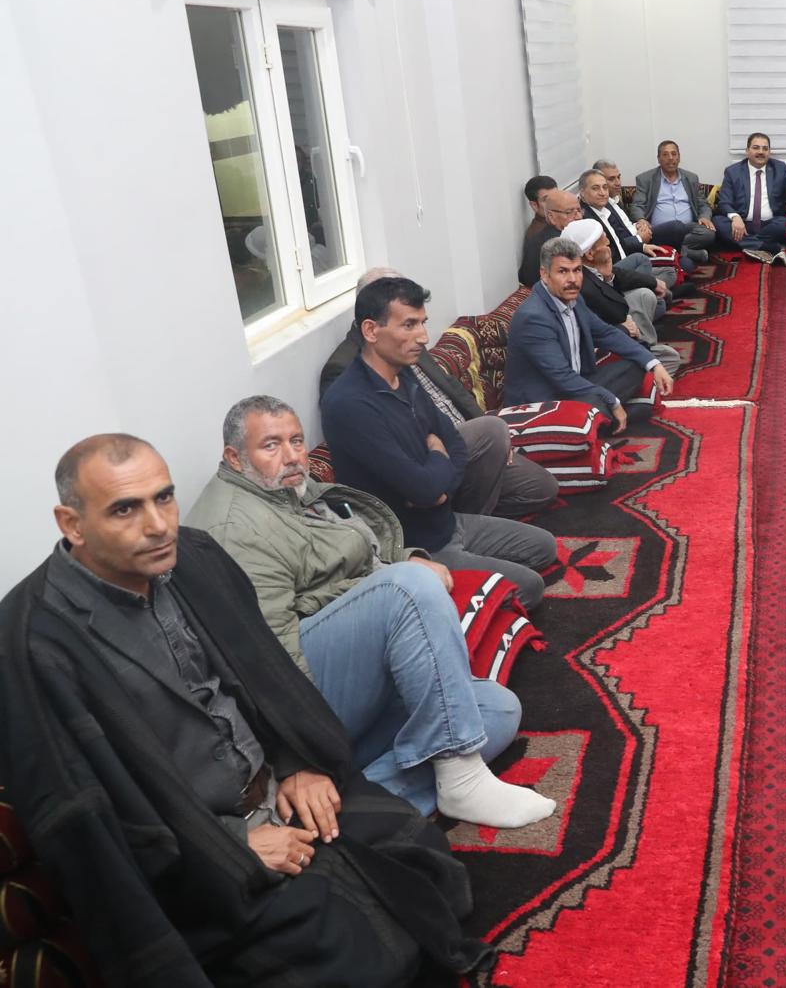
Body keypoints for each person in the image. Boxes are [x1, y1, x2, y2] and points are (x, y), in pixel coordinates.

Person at [0, 434, 490, 982]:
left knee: (424, 857)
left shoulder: (195, 557)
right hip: (197, 854)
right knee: (359, 951)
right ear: (71, 523)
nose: (158, 525)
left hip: (280, 790)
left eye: (164, 497)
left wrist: (296, 762)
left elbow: (267, 678)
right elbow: (82, 816)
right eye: (124, 509)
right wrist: (233, 847)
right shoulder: (33, 639)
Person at [188, 397, 555, 827]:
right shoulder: (236, 529)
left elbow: (347, 549)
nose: (291, 456)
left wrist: (406, 557)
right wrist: (302, 757)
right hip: (301, 696)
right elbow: (266, 658)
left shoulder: (283, 490)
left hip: (350, 670)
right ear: (234, 457)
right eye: (271, 445)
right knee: (407, 589)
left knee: (497, 709)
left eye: (297, 441)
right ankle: (460, 775)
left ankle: (356, 811)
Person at [320, 276, 557, 606]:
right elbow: (424, 487)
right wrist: (435, 461)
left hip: (447, 520)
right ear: (371, 331)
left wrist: (439, 485)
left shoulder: (404, 373)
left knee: (545, 547)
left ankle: (472, 573)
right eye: (409, 325)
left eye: (423, 323)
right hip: (417, 544)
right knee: (530, 587)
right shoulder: (349, 403)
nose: (423, 336)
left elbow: (452, 442)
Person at [503, 236, 675, 424]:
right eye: (563, 271)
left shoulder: (573, 299)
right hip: (545, 400)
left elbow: (606, 333)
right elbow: (562, 378)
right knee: (601, 401)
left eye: (577, 270)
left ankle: (601, 417)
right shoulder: (534, 317)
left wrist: (653, 363)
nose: (572, 279)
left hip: (576, 385)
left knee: (635, 366)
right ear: (545, 275)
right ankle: (603, 416)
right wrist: (612, 400)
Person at [566, 217, 682, 375]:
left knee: (645, 295)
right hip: (600, 352)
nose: (609, 244)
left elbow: (618, 277)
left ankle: (645, 355)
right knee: (669, 358)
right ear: (590, 254)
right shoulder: (581, 285)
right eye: (605, 243)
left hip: (614, 331)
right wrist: (624, 328)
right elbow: (609, 320)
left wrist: (608, 277)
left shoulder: (589, 269)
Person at [714, 132, 786, 256]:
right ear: (747, 151)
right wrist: (735, 217)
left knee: (785, 224)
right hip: (742, 224)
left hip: (771, 225)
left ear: (769, 152)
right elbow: (724, 202)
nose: (761, 152)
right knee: (718, 222)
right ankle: (767, 247)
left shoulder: (779, 169)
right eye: (756, 148)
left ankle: (746, 243)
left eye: (765, 148)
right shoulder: (733, 172)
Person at [629, 140, 716, 269]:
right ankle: (687, 253)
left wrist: (704, 217)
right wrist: (641, 219)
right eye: (665, 154)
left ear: (679, 157)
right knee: (675, 227)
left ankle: (675, 250)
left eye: (674, 154)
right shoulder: (646, 179)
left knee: (709, 233)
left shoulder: (691, 178)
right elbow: (637, 205)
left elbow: (702, 203)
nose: (670, 158)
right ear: (658, 159)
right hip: (660, 230)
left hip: (687, 227)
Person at [578, 168, 672, 284]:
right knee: (642, 260)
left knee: (670, 271)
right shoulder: (587, 220)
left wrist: (642, 246)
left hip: (626, 260)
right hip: (613, 273)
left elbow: (619, 243)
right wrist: (639, 240)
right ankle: (648, 287)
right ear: (582, 193)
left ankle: (652, 288)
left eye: (605, 187)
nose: (602, 193)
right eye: (595, 188)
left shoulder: (604, 209)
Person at [519, 187, 584, 287]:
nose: (578, 217)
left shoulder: (570, 234)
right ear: (551, 216)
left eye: (579, 210)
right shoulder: (552, 245)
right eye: (569, 212)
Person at [523, 174, 557, 241]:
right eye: (547, 199)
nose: (555, 202)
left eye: (556, 196)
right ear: (534, 205)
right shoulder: (538, 235)